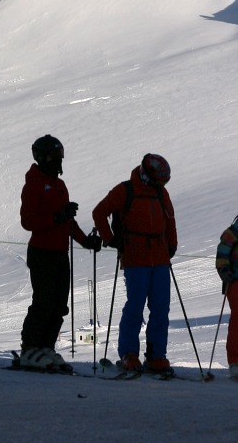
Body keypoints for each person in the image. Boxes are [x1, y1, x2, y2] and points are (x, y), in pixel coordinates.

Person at [18, 135, 102, 370]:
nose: (58, 162)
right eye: (53, 157)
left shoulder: (59, 185)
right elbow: (28, 221)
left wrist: (86, 241)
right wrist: (58, 217)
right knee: (43, 303)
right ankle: (30, 349)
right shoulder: (34, 184)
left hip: (59, 253)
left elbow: (67, 223)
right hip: (41, 252)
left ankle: (46, 348)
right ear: (41, 157)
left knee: (58, 305)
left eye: (60, 157)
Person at [93, 153, 178, 374]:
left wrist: (172, 244)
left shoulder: (159, 192)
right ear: (149, 176)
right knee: (136, 307)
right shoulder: (125, 190)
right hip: (136, 257)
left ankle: (156, 356)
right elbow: (99, 212)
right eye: (161, 180)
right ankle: (129, 354)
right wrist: (110, 238)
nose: (162, 184)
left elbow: (169, 218)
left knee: (160, 308)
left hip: (158, 257)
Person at [215, 210, 238, 380]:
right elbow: (223, 250)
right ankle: (235, 362)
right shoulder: (233, 231)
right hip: (235, 280)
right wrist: (224, 269)